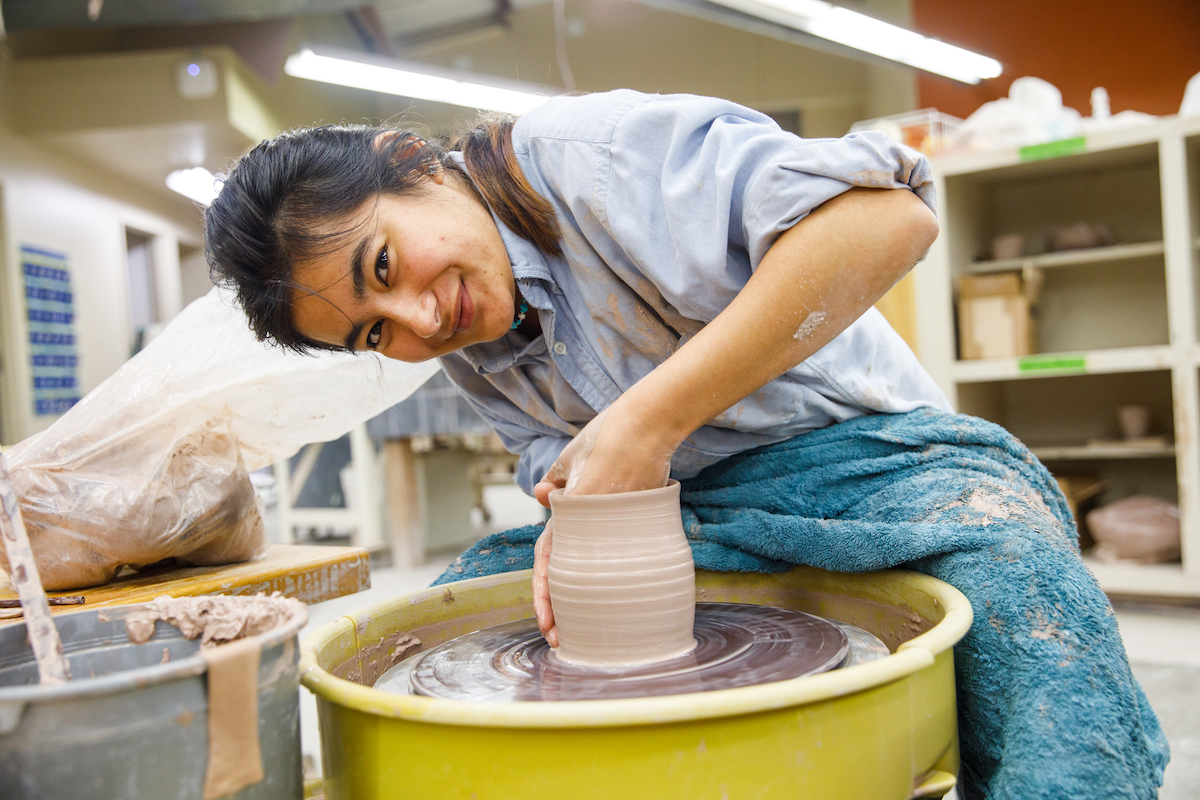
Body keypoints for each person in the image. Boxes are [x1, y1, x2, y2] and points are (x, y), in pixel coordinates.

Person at [205, 89, 1167, 799]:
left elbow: (891, 215)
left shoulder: (601, 158)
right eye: (375, 333)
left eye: (384, 264)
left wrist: (651, 418)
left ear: (411, 161)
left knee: (1022, 578)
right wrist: (566, 518)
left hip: (876, 461)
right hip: (694, 510)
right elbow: (566, 465)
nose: (417, 318)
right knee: (468, 597)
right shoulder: (459, 332)